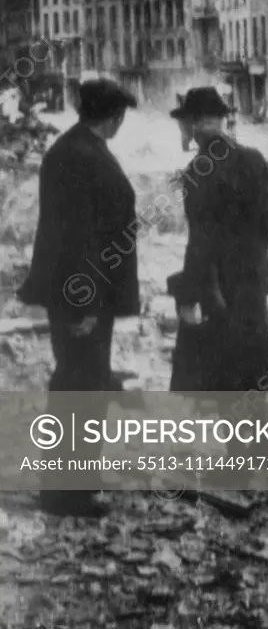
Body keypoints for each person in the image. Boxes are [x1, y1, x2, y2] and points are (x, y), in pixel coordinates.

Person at [18, 78, 139, 518]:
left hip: (82, 294)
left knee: (83, 382)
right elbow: (77, 238)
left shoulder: (72, 150)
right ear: (114, 117)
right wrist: (85, 304)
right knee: (79, 384)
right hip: (82, 297)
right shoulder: (80, 156)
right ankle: (65, 494)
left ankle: (71, 487)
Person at [168, 87, 268, 395]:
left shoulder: (197, 171)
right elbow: (266, 226)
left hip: (218, 295)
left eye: (184, 122)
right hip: (253, 287)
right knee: (251, 386)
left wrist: (188, 297)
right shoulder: (254, 160)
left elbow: (200, 243)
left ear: (195, 124)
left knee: (218, 383)